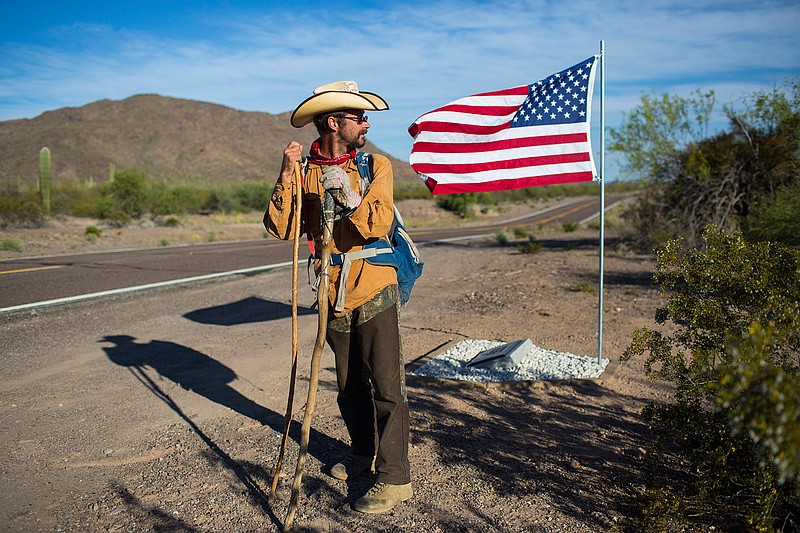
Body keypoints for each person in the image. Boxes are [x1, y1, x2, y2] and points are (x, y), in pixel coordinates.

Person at [264, 81, 412, 514]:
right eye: (359, 117)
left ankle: (394, 476)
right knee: (348, 384)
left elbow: (380, 220)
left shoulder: (374, 165)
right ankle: (363, 452)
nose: (366, 124)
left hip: (373, 282)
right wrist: (286, 175)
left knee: (386, 384)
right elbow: (284, 229)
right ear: (334, 122)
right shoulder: (305, 170)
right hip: (330, 289)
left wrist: (348, 197)